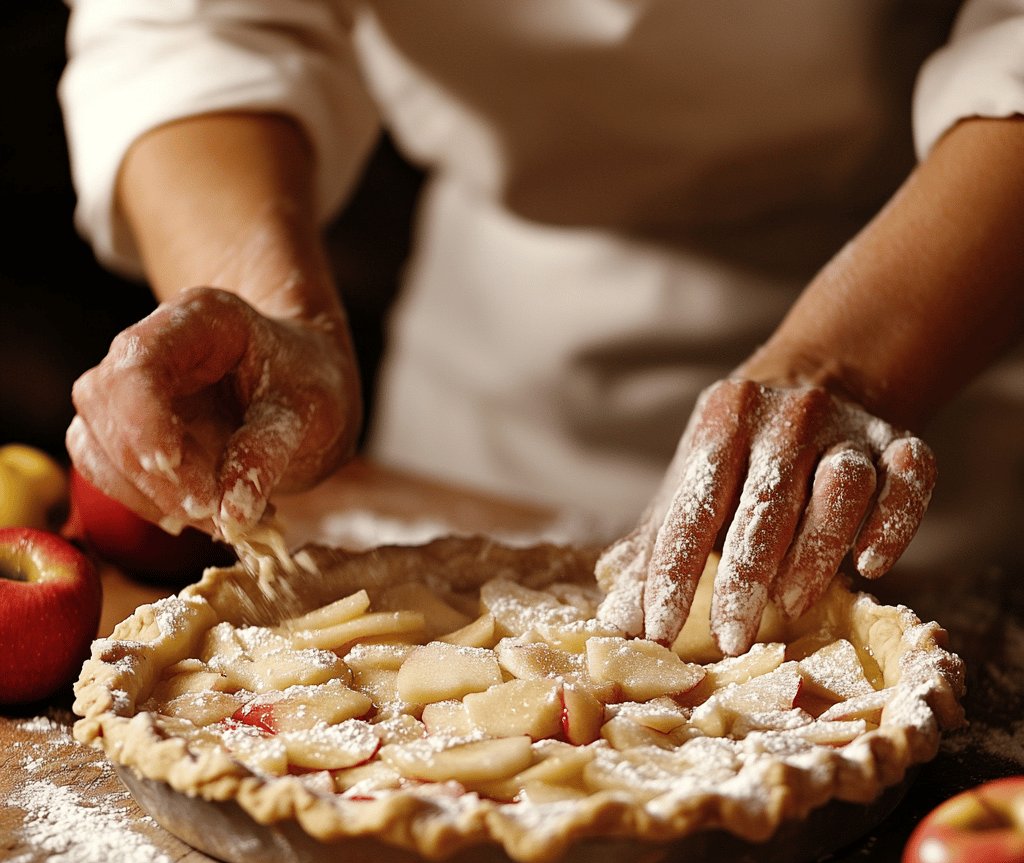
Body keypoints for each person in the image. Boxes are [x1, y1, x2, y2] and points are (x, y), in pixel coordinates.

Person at [59, 1, 1024, 655]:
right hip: (495, 378)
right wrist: (264, 307)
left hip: (946, 294)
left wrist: (857, 360)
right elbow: (190, 23)